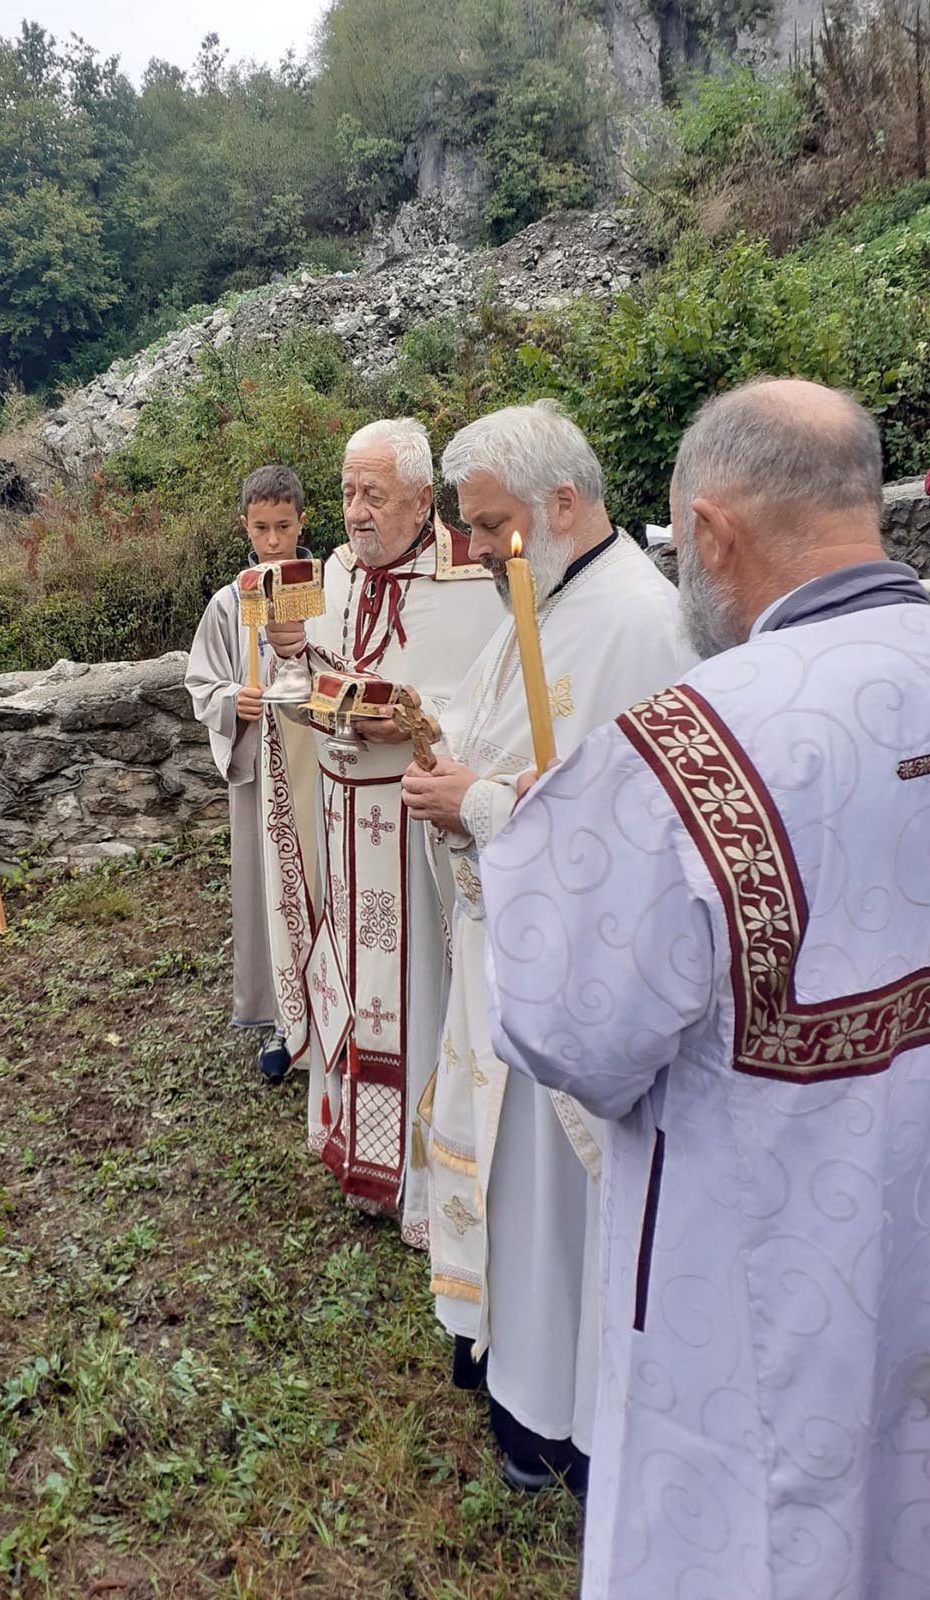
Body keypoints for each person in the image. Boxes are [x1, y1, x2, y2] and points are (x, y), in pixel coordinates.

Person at [482, 377, 930, 1598]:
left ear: (716, 532)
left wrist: (533, 836)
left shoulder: (690, 744)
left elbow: (567, 1024)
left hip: (761, 1275)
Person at [400, 402, 694, 1494]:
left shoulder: (641, 625)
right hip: (504, 944)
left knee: (556, 1197)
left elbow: (637, 830)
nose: (470, 547)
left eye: (486, 524)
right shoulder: (551, 592)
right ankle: (502, 1351)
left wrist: (476, 803)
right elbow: (519, 738)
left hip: (576, 969)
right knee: (501, 1163)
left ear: (562, 504)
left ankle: (558, 1411)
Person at [262, 418, 504, 1242]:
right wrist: (298, 653)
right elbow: (313, 673)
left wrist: (409, 720)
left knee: (418, 989)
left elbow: (490, 711)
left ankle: (416, 1178)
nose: (355, 512)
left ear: (421, 499)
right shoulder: (331, 569)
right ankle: (349, 1145)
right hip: (343, 814)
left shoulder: (475, 584)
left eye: (375, 495)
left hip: (417, 834)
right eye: (346, 493)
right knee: (350, 976)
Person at [185, 465, 308, 1082]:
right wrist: (235, 699)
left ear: (302, 523)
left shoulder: (326, 588)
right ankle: (282, 1015)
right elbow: (200, 681)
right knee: (267, 890)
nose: (272, 542)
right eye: (260, 528)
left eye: (283, 527)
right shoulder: (227, 603)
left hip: (318, 768)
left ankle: (336, 1011)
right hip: (261, 770)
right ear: (244, 527)